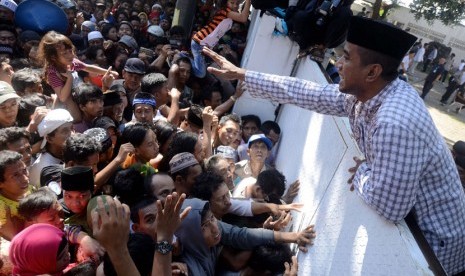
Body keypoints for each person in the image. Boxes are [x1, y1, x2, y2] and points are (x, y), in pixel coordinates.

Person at [202, 16, 465, 274]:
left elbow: (390, 207)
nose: (338, 63)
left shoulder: (393, 123)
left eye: (347, 57)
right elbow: (308, 93)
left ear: (373, 72)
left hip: (437, 245)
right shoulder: (369, 94)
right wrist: (244, 74)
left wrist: (364, 172)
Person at [38, 31, 118, 122]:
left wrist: (107, 72)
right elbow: (62, 97)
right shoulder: (53, 73)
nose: (70, 55)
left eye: (70, 51)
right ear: (53, 57)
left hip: (80, 98)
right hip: (68, 106)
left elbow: (87, 67)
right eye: (64, 53)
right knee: (78, 120)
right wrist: (69, 78)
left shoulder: (72, 62)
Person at [190, 0, 251, 78]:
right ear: (226, 3)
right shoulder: (225, 12)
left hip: (203, 44)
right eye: (232, 3)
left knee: (202, 72)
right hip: (200, 42)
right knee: (201, 73)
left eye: (237, 4)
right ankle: (183, 56)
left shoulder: (229, 15)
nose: (235, 5)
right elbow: (243, 18)